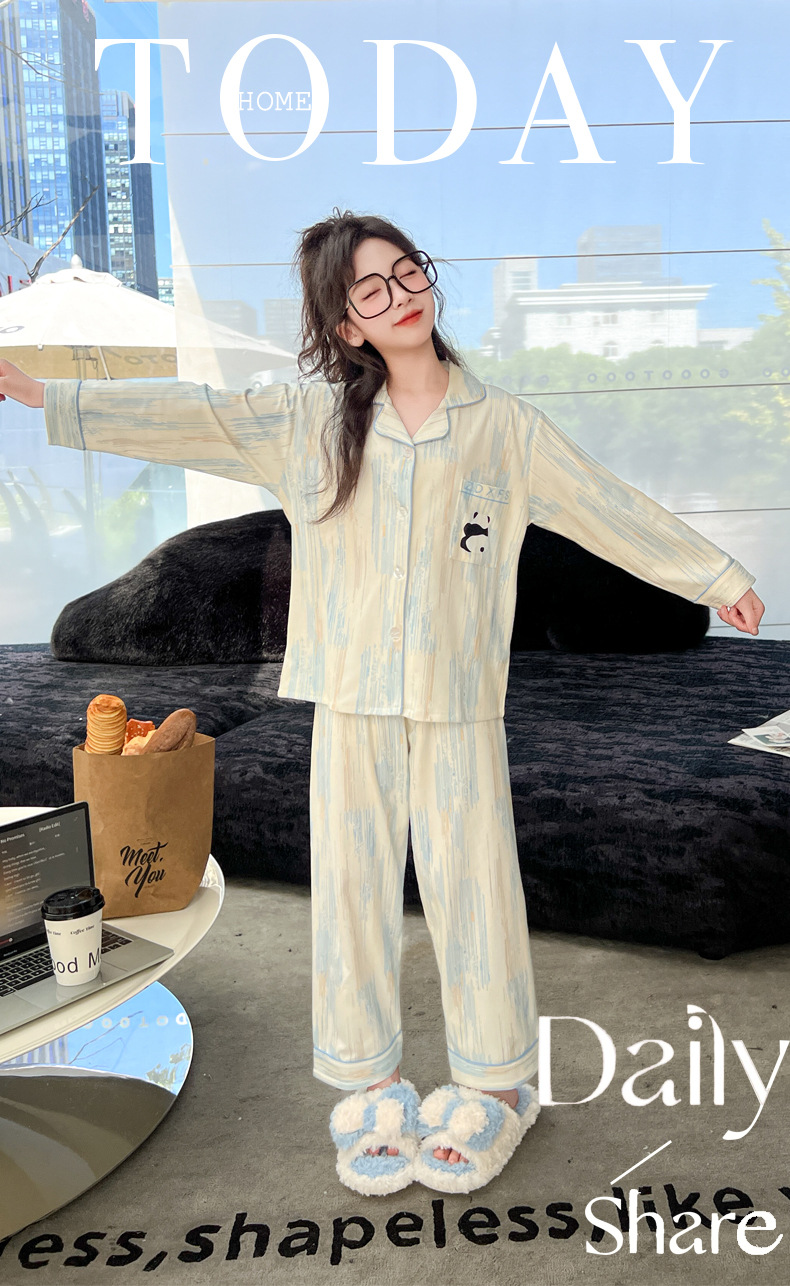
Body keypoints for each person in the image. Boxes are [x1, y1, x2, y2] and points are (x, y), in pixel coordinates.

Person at [0, 209, 765, 1198]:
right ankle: (368, 1081)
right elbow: (195, 414)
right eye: (372, 287)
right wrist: (45, 394)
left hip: (455, 697)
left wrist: (714, 575)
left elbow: (599, 501)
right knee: (353, 889)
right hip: (350, 693)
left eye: (408, 273)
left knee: (474, 888)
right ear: (346, 322)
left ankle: (496, 1081)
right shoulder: (307, 421)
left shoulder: (502, 427)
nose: (400, 295)